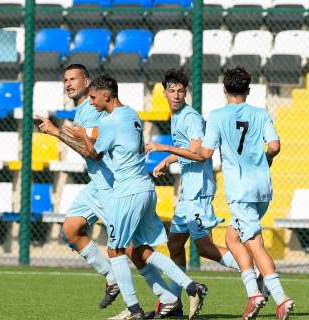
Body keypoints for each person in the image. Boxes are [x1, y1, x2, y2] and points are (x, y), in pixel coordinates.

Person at [70, 74, 208, 320]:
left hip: (129, 191)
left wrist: (77, 134)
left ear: (106, 96)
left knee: (115, 250)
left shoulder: (111, 122)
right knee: (141, 250)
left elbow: (92, 153)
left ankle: (134, 310)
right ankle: (186, 289)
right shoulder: (132, 114)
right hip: (145, 188)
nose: (90, 102)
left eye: (93, 97)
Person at [145, 69, 267, 318]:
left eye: (181, 91)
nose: (176, 95)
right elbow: (186, 148)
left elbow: (198, 152)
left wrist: (164, 148)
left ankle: (254, 274)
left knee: (205, 249)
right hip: (187, 192)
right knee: (175, 243)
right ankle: (174, 301)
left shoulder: (190, 117)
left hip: (198, 192)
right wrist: (167, 160)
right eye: (172, 90)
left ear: (186, 93)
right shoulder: (176, 115)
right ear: (165, 92)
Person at [190, 67, 294, 320]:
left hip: (240, 191)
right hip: (262, 188)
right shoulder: (260, 113)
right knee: (232, 239)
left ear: (224, 90)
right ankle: (253, 293)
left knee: (255, 245)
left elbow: (204, 153)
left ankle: (279, 298)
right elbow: (275, 146)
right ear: (248, 90)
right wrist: (265, 158)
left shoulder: (216, 116)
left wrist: (171, 151)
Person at [36, 64, 120, 308]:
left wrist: (56, 132)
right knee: (71, 229)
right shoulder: (82, 112)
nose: (68, 84)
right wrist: (57, 128)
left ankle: (166, 297)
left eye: (74, 79)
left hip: (110, 183)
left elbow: (91, 152)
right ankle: (112, 277)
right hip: (96, 184)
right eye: (65, 80)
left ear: (87, 81)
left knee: (133, 250)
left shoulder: (92, 111)